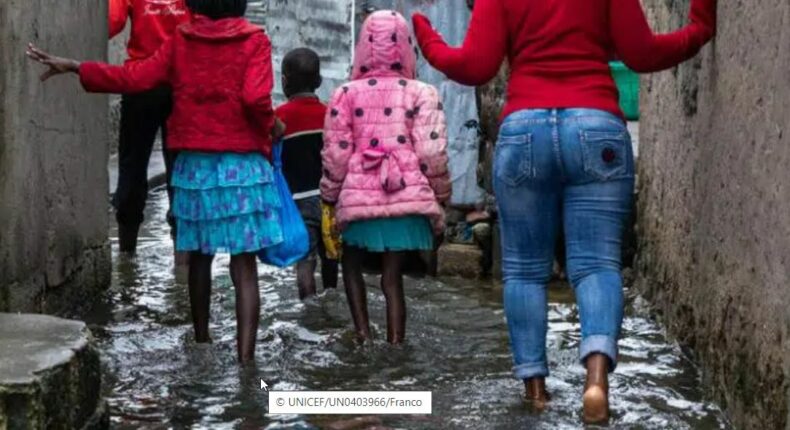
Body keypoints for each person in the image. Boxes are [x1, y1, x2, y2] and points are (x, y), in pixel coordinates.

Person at [412, 0, 717, 423]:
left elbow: (475, 66)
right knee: (596, 265)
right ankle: (596, 382)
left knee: (523, 270)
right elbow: (641, 53)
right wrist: (698, 29)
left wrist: (427, 38)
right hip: (596, 128)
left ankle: (536, 392)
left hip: (524, 133)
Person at [28, 0, 284, 364]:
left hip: (195, 167)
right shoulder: (255, 41)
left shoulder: (182, 40)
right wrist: (271, 124)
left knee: (199, 258)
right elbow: (256, 98)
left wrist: (78, 68)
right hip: (241, 166)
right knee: (244, 267)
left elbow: (136, 78)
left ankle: (201, 342)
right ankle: (246, 361)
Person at [321, 10, 451, 345]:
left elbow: (337, 153)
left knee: (351, 265)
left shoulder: (345, 94)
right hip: (406, 198)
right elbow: (431, 153)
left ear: (363, 46)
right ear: (407, 46)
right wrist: (440, 196)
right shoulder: (422, 92)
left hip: (358, 198)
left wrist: (330, 195)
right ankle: (396, 344)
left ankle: (362, 334)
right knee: (392, 279)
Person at [108, 0, 191, 256]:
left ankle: (126, 256)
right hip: (183, 82)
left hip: (141, 81)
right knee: (182, 169)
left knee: (132, 167)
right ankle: (183, 261)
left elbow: (111, 23)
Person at [275, 48, 340, 300]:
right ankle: (331, 298)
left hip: (298, 203)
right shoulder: (331, 115)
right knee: (331, 255)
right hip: (330, 199)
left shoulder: (280, 117)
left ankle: (309, 308)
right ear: (319, 82)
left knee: (305, 260)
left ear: (284, 81)